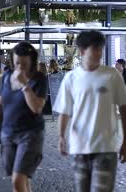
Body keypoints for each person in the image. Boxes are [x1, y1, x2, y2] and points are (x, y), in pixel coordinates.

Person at [54, 30, 126, 192]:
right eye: (95, 49)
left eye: (100, 48)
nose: (99, 53)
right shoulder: (71, 78)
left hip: (106, 147)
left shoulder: (112, 75)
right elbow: (64, 111)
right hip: (79, 148)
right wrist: (60, 137)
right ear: (82, 51)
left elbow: (124, 108)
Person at [0, 41, 47, 192]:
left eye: (24, 63)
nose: (20, 66)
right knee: (22, 178)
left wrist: (24, 86)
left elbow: (37, 108)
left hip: (30, 135)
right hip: (8, 133)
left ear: (32, 61)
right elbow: (0, 105)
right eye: (17, 63)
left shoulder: (39, 79)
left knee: (17, 180)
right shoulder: (7, 76)